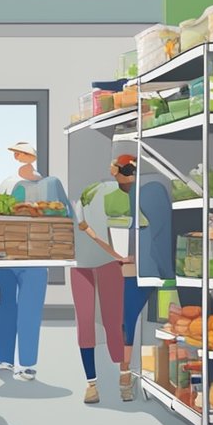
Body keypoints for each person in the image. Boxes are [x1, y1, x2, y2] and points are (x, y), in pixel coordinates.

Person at [0, 142, 73, 381]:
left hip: (37, 256)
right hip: (8, 255)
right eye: (17, 153)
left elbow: (65, 214)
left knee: (29, 309)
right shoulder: (7, 183)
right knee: (6, 305)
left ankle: (26, 363)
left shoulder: (50, 184)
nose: (19, 157)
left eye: (22, 153)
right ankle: (5, 359)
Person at [72, 155, 136, 404]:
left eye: (133, 172)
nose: (131, 178)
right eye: (128, 171)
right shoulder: (107, 194)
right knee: (88, 322)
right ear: (115, 171)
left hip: (103, 262)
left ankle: (122, 377)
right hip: (85, 263)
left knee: (112, 321)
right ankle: (93, 384)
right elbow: (88, 228)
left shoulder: (123, 194)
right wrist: (122, 255)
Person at [119, 158, 174, 384]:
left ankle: (126, 372)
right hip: (154, 269)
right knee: (160, 325)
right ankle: (150, 374)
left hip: (144, 270)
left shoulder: (146, 191)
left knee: (130, 319)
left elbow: (150, 234)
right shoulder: (155, 189)